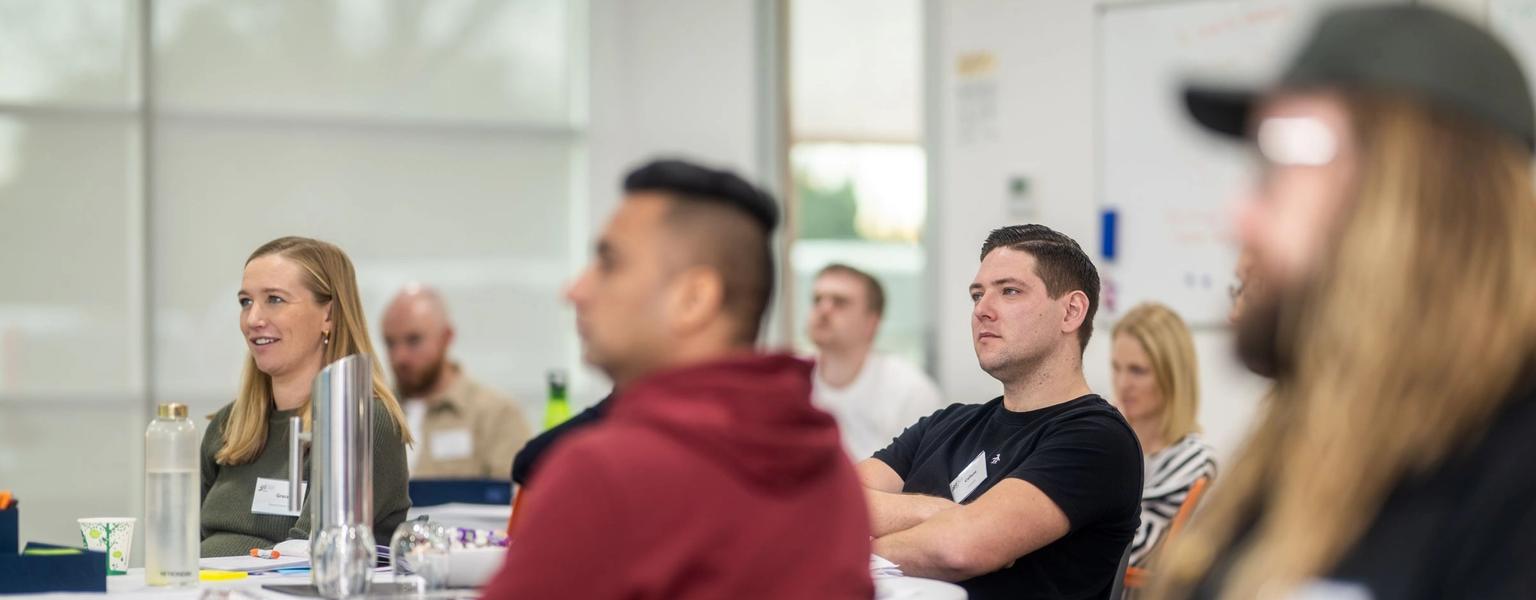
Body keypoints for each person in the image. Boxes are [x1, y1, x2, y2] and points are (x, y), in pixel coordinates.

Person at [1156, 5, 1536, 598]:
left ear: (1424, 197)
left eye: (1285, 161)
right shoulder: (1308, 446)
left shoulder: (1511, 475)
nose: (1241, 218)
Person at [481, 159, 873, 599]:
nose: (575, 290)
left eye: (609, 263)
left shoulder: (605, 476)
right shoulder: (832, 473)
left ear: (694, 299)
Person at [859, 224, 1143, 600]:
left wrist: (851, 549)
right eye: (977, 295)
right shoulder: (946, 424)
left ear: (1071, 311)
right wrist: (931, 512)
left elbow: (961, 549)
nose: (982, 311)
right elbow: (831, 500)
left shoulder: (1097, 438)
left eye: (1009, 291)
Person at [200, 236, 413, 557]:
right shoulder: (228, 426)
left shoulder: (361, 419)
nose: (253, 319)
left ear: (328, 315)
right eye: (245, 301)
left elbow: (305, 559)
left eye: (274, 299)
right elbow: (179, 550)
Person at [381, 284, 532, 480]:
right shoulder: (373, 415)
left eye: (414, 340)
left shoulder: (496, 414)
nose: (399, 357)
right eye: (390, 343)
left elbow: (515, 500)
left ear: (446, 337)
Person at [1109, 302, 1216, 568]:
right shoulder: (1108, 443)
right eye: (1116, 367)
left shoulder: (1193, 459)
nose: (1123, 384)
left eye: (1137, 370)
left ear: (1173, 376)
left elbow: (1131, 549)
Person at [808, 263, 947, 459]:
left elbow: (924, 480)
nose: (823, 309)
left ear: (871, 323)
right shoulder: (788, 384)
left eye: (840, 302)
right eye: (817, 300)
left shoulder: (912, 392)